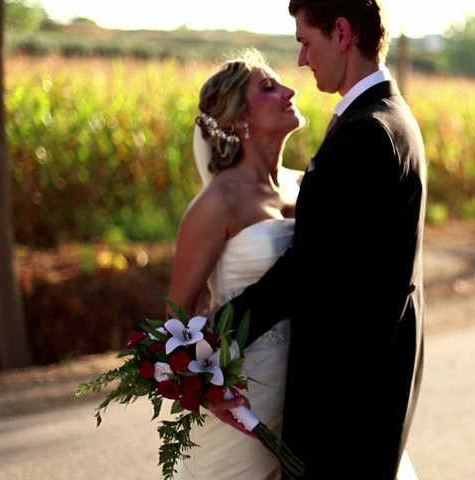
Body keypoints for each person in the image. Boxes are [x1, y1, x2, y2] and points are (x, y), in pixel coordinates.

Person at [209, 0, 427, 478]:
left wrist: (211, 338)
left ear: (343, 34)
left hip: (344, 402)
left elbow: (307, 270)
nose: (303, 61)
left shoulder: (367, 132)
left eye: (307, 42)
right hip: (367, 389)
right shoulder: (390, 117)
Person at [166, 49, 305, 479]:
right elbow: (175, 315)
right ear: (240, 119)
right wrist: (206, 390)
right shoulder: (217, 203)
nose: (290, 89)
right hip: (244, 399)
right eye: (269, 87)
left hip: (304, 389)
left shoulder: (305, 185)